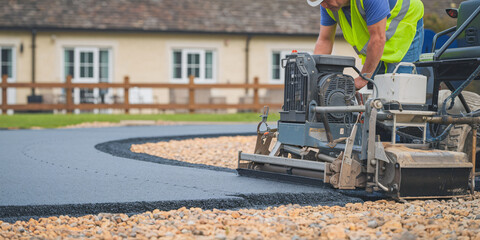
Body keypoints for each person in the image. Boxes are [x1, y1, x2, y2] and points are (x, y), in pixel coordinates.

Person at [307, 0, 424, 90]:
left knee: (398, 90)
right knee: (374, 91)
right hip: (377, 42)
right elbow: (325, 40)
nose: (324, 5)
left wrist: (363, 78)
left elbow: (378, 38)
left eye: (326, 0)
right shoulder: (328, 5)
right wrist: (314, 78)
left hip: (404, 29)